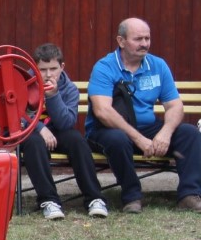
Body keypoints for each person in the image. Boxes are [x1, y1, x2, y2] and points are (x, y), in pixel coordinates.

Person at [85, 17, 201, 213]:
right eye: (138, 39)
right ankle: (132, 197)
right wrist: (138, 139)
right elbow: (103, 111)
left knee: (189, 134)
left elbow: (175, 106)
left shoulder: (158, 65)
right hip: (107, 129)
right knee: (118, 139)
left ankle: (189, 195)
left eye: (147, 38)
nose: (145, 44)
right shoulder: (104, 67)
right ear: (121, 41)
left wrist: (165, 133)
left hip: (148, 128)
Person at [21, 44, 108, 219]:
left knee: (77, 140)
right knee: (34, 143)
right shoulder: (23, 84)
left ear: (62, 67)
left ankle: (94, 198)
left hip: (58, 131)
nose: (48, 74)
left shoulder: (69, 89)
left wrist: (53, 96)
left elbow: (66, 122)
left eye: (53, 69)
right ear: (34, 68)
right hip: (29, 132)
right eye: (42, 69)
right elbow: (17, 116)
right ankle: (49, 200)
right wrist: (40, 128)